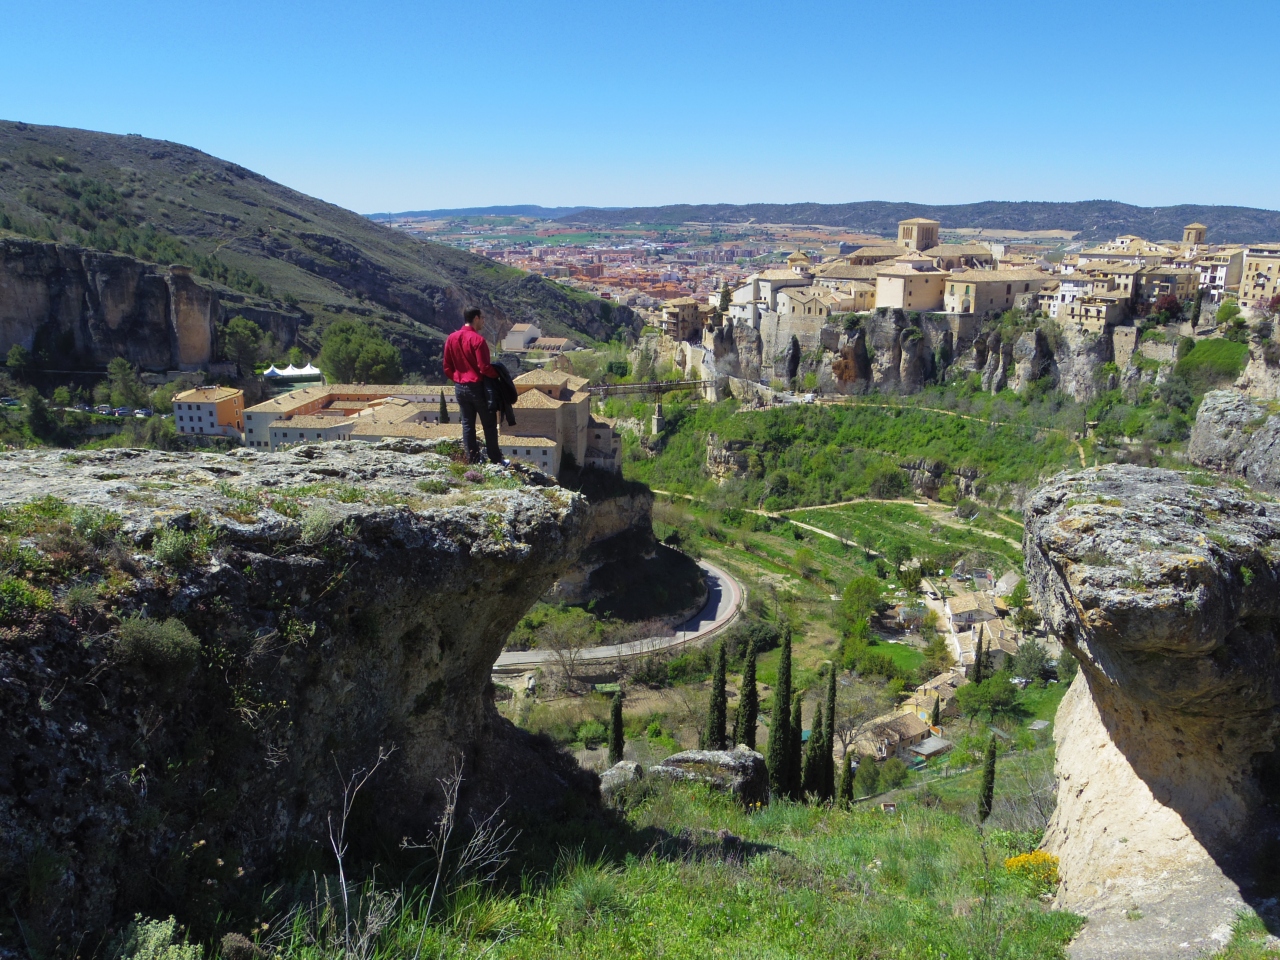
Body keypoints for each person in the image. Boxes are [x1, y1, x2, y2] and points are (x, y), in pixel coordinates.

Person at [443, 308, 505, 465]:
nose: (484, 321)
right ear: (476, 318)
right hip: (478, 387)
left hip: (460, 387)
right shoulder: (478, 340)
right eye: (482, 318)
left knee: (467, 424)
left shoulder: (451, 338)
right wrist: (497, 375)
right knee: (489, 424)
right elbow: (484, 367)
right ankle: (496, 459)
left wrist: (458, 378)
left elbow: (447, 367)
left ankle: (473, 460)